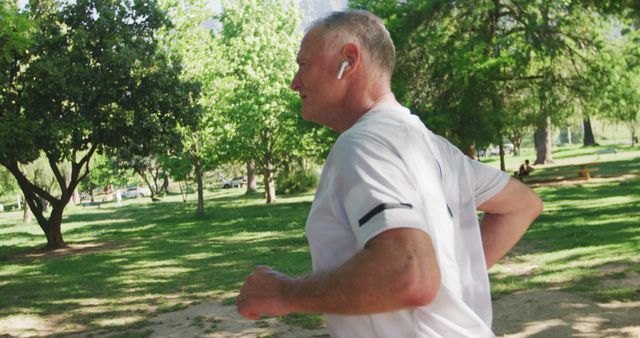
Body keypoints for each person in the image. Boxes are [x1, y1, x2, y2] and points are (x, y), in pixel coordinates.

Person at [236, 10, 543, 337]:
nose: (295, 82)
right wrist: (450, 290)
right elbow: (522, 204)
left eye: (303, 65)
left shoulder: (363, 143)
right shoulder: (428, 144)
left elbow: (409, 274)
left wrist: (283, 293)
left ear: (348, 59)